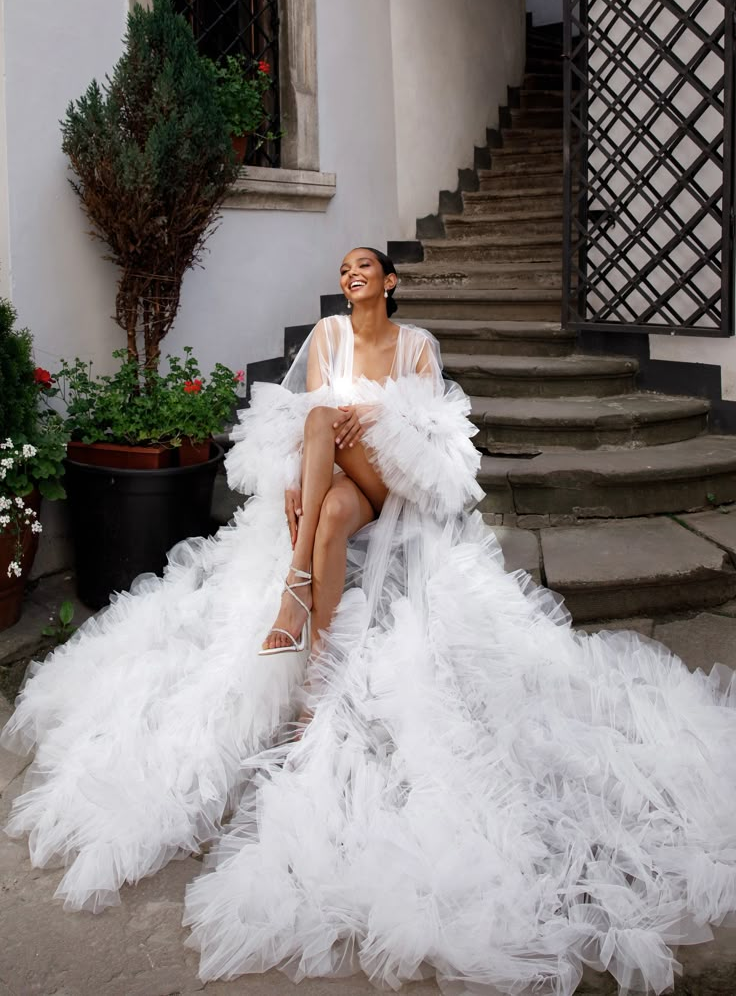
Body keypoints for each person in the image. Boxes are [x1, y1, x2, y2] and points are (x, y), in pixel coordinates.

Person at [2, 247, 736, 996]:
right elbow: (300, 419)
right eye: (346, 266)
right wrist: (302, 481)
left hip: (396, 482)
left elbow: (430, 444)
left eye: (366, 266)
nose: (351, 273)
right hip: (339, 489)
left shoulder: (418, 346)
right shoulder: (326, 337)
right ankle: (316, 674)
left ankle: (295, 593)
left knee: (334, 425)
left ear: (390, 282)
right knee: (322, 511)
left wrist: (373, 417)